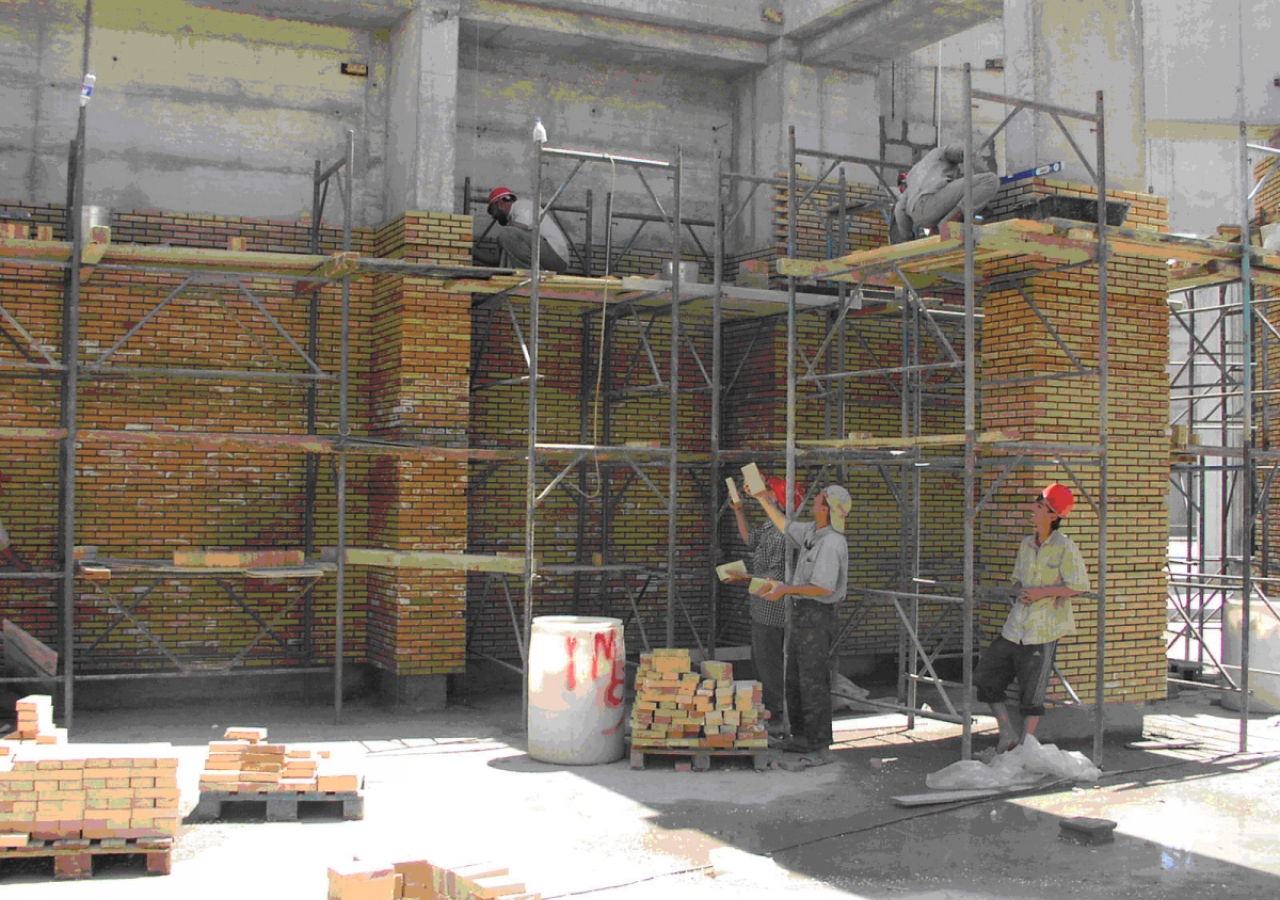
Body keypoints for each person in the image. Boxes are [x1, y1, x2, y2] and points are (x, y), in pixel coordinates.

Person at [974, 482, 1089, 751]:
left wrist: (1042, 593)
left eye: (1039, 506)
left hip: (1043, 630)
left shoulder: (1065, 547)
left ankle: (1026, 747)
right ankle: (1007, 733)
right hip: (1015, 626)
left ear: (1052, 514)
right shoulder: (1026, 544)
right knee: (986, 676)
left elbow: (1079, 585)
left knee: (1032, 692)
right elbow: (1017, 579)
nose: (1033, 510)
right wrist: (1023, 592)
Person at [750, 483, 851, 764]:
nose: (814, 501)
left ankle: (820, 747)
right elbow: (784, 525)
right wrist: (761, 498)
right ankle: (800, 737)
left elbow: (823, 588)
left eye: (819, 499)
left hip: (818, 615)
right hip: (802, 613)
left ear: (827, 509)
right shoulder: (812, 533)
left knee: (813, 680)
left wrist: (785, 589)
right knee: (794, 677)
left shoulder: (832, 542)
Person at [727, 474, 801, 733]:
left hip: (774, 612)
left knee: (770, 664)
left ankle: (780, 718)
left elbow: (774, 579)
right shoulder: (771, 527)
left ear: (778, 499)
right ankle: (773, 713)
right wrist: (739, 512)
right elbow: (750, 539)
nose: (764, 495)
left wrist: (744, 576)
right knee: (762, 661)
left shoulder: (785, 534)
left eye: (769, 493)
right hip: (760, 608)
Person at [889, 140, 1000, 244]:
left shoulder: (913, 176)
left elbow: (900, 210)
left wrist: (909, 239)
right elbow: (965, 150)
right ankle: (950, 221)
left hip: (919, 217)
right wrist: (984, 178)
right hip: (932, 200)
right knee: (990, 179)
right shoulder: (941, 153)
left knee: (952, 200)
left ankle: (936, 231)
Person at [481, 186, 571, 274]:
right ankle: (531, 275)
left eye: (493, 210)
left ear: (500, 203)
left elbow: (524, 226)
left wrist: (502, 238)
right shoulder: (514, 229)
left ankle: (530, 277)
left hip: (556, 259)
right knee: (506, 235)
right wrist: (471, 251)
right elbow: (496, 259)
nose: (493, 216)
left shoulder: (521, 205)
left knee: (507, 234)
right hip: (548, 258)